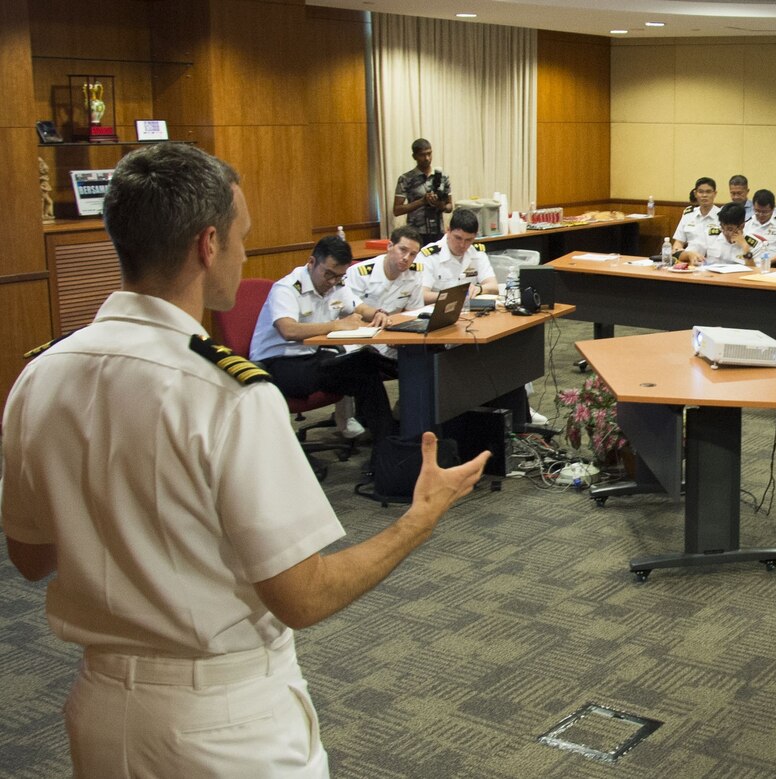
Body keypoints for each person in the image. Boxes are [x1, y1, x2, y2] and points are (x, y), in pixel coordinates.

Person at [1, 142, 489, 777]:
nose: (242, 254)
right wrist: (418, 519)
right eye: (241, 237)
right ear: (208, 245)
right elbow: (302, 597)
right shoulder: (230, 394)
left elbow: (31, 557)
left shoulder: (40, 376)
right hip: (222, 722)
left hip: (99, 711)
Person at [250, 236, 396, 442]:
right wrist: (336, 325)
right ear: (311, 263)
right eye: (328, 274)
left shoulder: (336, 283)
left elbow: (359, 307)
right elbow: (288, 330)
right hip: (277, 364)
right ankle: (393, 374)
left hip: (311, 358)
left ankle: (387, 444)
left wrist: (377, 313)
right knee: (362, 365)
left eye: (338, 276)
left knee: (366, 366)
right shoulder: (287, 288)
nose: (332, 282)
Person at [345, 226, 426, 362]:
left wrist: (399, 334)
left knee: (425, 354)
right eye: (403, 250)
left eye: (413, 254)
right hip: (360, 337)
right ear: (389, 246)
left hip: (392, 336)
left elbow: (412, 314)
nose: (406, 258)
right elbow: (349, 311)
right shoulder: (360, 273)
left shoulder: (414, 274)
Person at [419, 210, 498, 302]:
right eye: (458, 238)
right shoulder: (429, 256)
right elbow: (422, 295)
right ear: (448, 231)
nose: (462, 245)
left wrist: (479, 289)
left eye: (468, 240)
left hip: (468, 310)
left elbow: (494, 286)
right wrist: (453, 296)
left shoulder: (477, 254)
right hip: (437, 311)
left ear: (475, 236)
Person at [393, 138, 452, 245]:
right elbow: (397, 210)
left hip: (438, 232)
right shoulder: (406, 178)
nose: (427, 158)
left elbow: (449, 207)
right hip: (415, 234)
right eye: (422, 155)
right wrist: (422, 201)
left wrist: (439, 205)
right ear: (414, 156)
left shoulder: (443, 176)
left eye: (429, 154)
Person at [680, 204, 760, 266]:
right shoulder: (709, 234)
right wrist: (689, 254)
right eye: (722, 227)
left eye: (730, 229)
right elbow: (682, 256)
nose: (725, 232)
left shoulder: (755, 244)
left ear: (741, 226)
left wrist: (745, 247)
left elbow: (755, 273)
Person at [744, 189, 776, 267]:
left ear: (773, 209)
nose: (760, 215)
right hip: (749, 264)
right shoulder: (748, 223)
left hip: (771, 265)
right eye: (757, 211)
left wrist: (766, 262)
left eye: (765, 212)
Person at [671, 177, 720, 251]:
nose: (704, 195)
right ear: (695, 194)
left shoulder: (722, 215)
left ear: (715, 194)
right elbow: (679, 242)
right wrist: (678, 252)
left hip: (713, 260)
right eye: (701, 192)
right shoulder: (688, 214)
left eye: (708, 192)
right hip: (689, 258)